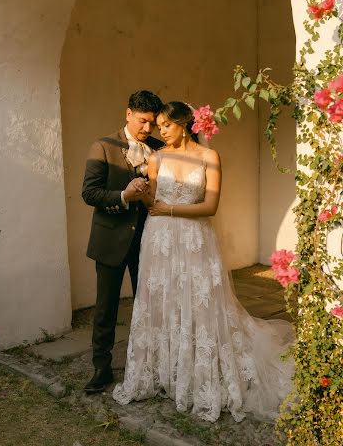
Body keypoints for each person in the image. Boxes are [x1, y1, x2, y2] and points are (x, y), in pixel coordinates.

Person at [113, 101, 293, 422]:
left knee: (201, 301)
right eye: (158, 125)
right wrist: (140, 193)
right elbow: (153, 200)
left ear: (183, 124)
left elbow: (210, 206)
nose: (160, 130)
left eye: (166, 125)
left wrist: (168, 210)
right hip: (160, 240)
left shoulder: (209, 157)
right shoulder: (156, 158)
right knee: (164, 300)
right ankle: (167, 372)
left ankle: (202, 371)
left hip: (195, 238)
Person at [82, 90, 163, 393]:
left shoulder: (160, 147)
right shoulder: (101, 147)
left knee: (150, 306)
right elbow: (89, 193)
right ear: (128, 114)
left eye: (153, 123)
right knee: (106, 308)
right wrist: (123, 196)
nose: (148, 129)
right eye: (143, 121)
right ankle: (101, 369)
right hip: (110, 239)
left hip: (149, 240)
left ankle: (152, 364)